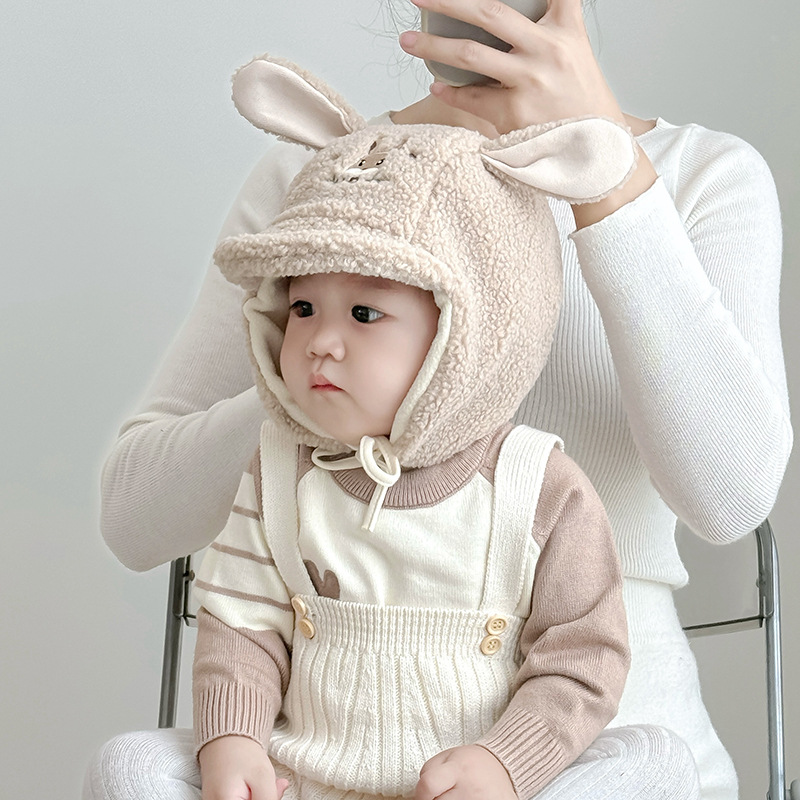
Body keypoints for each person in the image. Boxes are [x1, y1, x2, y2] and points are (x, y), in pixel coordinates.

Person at [89, 1, 792, 799]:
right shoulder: (331, 171)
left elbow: (731, 498)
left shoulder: (702, 174)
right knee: (132, 775)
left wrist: (610, 180)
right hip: (325, 749)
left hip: (595, 747)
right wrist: (336, 377)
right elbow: (135, 515)